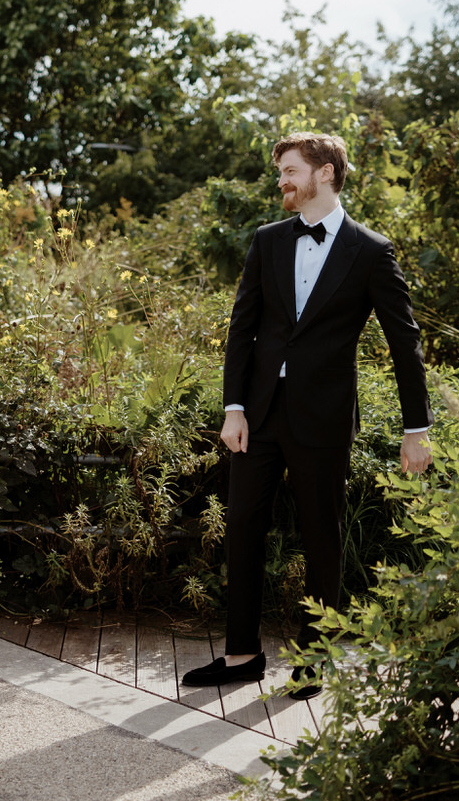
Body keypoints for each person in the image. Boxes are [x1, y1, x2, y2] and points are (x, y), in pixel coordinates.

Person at [181, 133, 432, 699]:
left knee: (322, 536)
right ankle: (242, 654)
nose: (282, 182)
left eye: (290, 171)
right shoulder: (267, 241)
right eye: (280, 172)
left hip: (322, 419)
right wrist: (234, 407)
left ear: (324, 172)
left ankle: (315, 658)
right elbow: (241, 331)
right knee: (243, 528)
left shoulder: (370, 251)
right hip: (259, 416)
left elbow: (405, 342)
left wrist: (415, 429)